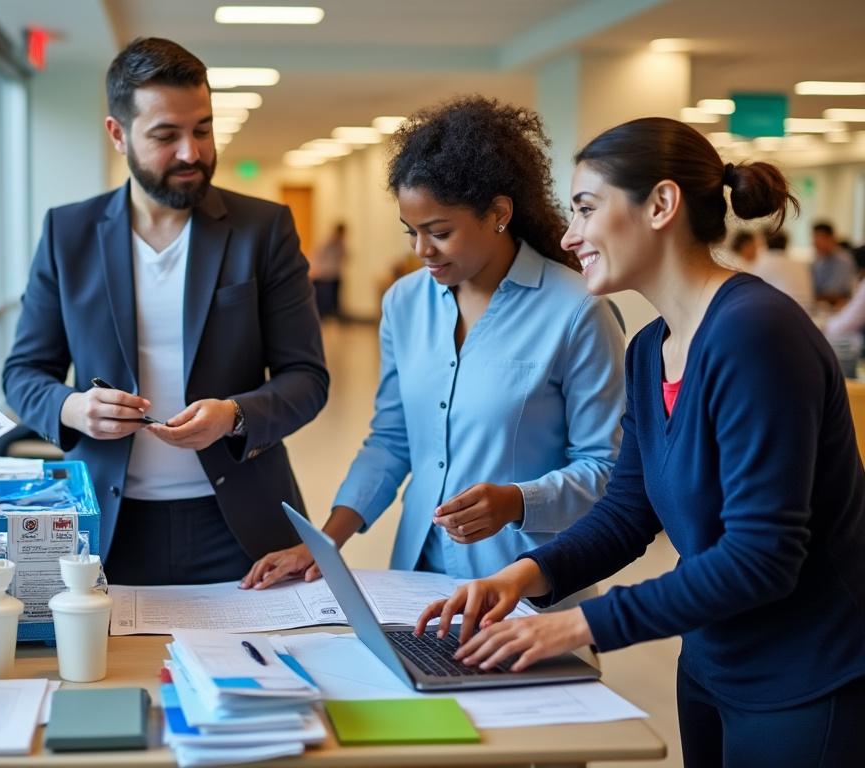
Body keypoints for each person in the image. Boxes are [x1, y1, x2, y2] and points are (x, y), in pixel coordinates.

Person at [418, 117, 865, 767]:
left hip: (806, 678)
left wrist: (578, 625)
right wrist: (524, 576)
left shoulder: (756, 333)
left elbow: (762, 556)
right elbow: (630, 511)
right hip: (713, 661)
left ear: (661, 204)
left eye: (586, 208)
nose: (569, 236)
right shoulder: (651, 348)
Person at [242, 97, 625, 590]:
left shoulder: (576, 311)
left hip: (526, 583)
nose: (423, 250)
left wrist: (517, 501)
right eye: (411, 233)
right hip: (418, 580)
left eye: (440, 232)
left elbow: (607, 470)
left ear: (499, 213)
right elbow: (392, 439)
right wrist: (324, 541)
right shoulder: (405, 303)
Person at [2, 38, 328, 586]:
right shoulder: (68, 233)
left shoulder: (263, 229)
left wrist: (236, 415)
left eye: (202, 130)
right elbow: (23, 373)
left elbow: (308, 378)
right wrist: (73, 408)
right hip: (108, 526)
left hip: (245, 527)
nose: (190, 153)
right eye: (165, 135)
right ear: (117, 134)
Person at [811, 220, 856, 304]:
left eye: (819, 237)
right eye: (814, 237)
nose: (815, 242)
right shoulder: (818, 261)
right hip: (822, 305)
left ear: (831, 238)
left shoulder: (843, 260)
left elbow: (835, 293)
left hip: (839, 306)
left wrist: (811, 296)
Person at [311, 222, 347, 318]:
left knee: (334, 301)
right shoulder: (326, 242)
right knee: (324, 299)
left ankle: (332, 315)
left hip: (334, 274)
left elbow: (344, 256)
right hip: (324, 275)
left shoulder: (341, 244)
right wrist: (315, 270)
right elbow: (317, 256)